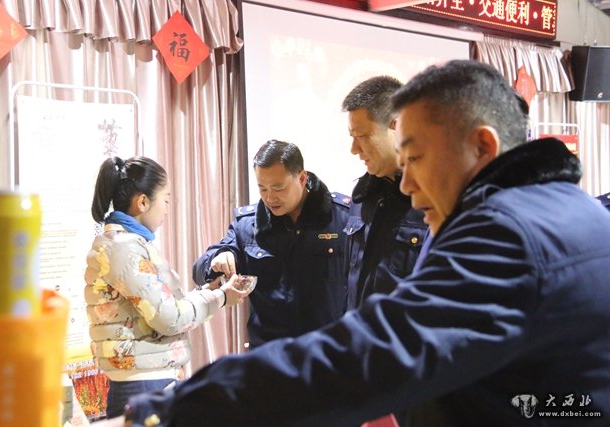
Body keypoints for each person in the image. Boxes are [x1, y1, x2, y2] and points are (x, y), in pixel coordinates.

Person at [95, 60, 610, 427]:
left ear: (482, 146)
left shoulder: (505, 234)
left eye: (415, 159)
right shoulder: (575, 210)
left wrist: (172, 411)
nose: (409, 185)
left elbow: (374, 351)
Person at [84, 156, 250, 419]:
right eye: (166, 200)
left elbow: (164, 308)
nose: (166, 210)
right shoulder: (124, 248)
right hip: (143, 383)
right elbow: (169, 318)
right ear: (142, 202)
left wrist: (209, 291)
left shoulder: (127, 245)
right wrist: (220, 297)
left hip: (145, 378)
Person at [191, 139, 350, 347]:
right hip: (269, 353)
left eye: (278, 188)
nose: (269, 197)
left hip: (328, 350)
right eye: (262, 188)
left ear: (302, 178)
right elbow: (200, 271)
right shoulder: (248, 225)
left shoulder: (342, 218)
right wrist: (218, 258)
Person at [341, 76, 426, 309]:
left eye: (362, 136)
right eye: (352, 137)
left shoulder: (432, 198)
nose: (354, 149)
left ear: (396, 126)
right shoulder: (362, 196)